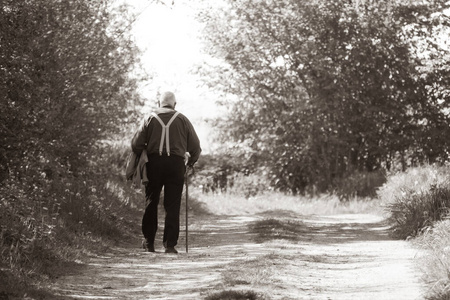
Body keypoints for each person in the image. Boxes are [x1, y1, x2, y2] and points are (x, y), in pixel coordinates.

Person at [131, 91, 201, 253]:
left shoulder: (149, 118)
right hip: (175, 164)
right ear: (174, 105)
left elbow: (135, 144)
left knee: (151, 201)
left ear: (159, 103)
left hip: (153, 163)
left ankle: (149, 242)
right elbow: (195, 147)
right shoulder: (182, 119)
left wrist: (145, 151)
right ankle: (170, 245)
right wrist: (191, 162)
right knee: (172, 204)